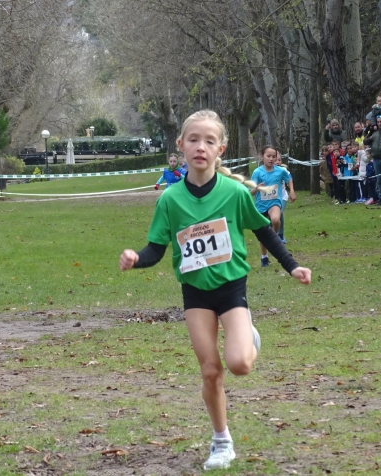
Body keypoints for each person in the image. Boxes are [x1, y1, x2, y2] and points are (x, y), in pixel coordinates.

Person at [118, 109, 312, 471]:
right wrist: (135, 258)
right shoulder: (170, 199)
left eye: (209, 141)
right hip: (195, 293)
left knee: (239, 365)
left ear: (220, 149)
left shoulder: (234, 192)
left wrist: (292, 265)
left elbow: (264, 230)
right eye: (193, 140)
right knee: (210, 371)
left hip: (231, 288)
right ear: (180, 145)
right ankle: (221, 441)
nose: (200, 147)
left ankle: (248, 336)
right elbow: (156, 250)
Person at [251, 146, 295, 266]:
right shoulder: (257, 172)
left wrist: (291, 191)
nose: (271, 159)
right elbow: (251, 192)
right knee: (263, 235)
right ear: (262, 156)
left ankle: (275, 237)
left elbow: (289, 178)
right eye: (268, 156)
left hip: (274, 202)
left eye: (273, 157)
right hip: (261, 206)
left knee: (276, 219)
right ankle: (264, 256)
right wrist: (257, 187)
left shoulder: (280, 171)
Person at [363, 115, 381, 204]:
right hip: (376, 158)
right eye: (378, 122)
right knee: (379, 179)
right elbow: (365, 141)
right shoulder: (374, 133)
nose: (380, 123)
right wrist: (371, 130)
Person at [274, 152, 296, 243]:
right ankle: (273, 234)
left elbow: (289, 179)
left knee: (279, 213)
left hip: (282, 196)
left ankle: (281, 235)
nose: (277, 162)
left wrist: (292, 191)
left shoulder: (283, 170)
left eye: (279, 160)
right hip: (271, 198)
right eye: (275, 160)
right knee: (271, 217)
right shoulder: (264, 171)